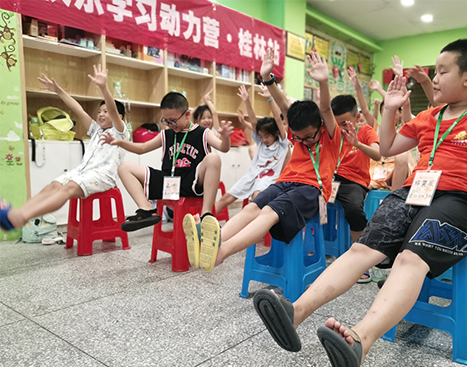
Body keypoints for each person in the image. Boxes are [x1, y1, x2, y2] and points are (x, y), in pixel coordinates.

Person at [252, 39, 467, 367]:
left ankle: (360, 340)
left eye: (442, 71)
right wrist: (389, 108)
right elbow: (386, 147)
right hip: (412, 194)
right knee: (361, 250)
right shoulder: (428, 117)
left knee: (408, 260)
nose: (434, 78)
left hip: (461, 201)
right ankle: (295, 311)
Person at [183, 48, 346, 272]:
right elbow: (285, 107)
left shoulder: (330, 136)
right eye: (299, 137)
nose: (305, 141)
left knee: (270, 211)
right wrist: (267, 78)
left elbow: (326, 108)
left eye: (310, 136)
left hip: (312, 189)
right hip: (284, 181)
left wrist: (324, 82)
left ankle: (222, 252)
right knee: (252, 207)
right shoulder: (297, 133)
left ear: (320, 126)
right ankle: (213, 240)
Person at [0, 65, 128, 231]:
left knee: (68, 188)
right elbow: (78, 109)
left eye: (106, 111)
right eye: (100, 111)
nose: (102, 114)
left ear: (120, 117)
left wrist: (103, 87)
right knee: (52, 186)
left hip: (103, 176)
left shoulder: (120, 132)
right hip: (83, 171)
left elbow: (112, 107)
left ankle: (21, 217)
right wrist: (58, 90)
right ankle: (17, 214)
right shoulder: (97, 130)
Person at [100, 91, 233, 232]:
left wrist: (225, 137)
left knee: (214, 158)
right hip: (169, 182)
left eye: (173, 120)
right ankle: (146, 209)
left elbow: (223, 148)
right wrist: (119, 142)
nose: (170, 124)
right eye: (166, 120)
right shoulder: (166, 134)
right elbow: (142, 148)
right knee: (124, 168)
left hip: (193, 181)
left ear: (187, 114)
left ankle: (206, 215)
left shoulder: (203, 133)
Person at [214, 85, 289, 215]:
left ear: (276, 133)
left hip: (267, 179)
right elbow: (254, 122)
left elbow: (277, 118)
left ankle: (254, 230)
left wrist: (270, 99)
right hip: (251, 176)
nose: (264, 140)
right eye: (261, 137)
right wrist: (247, 101)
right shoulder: (261, 142)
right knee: (226, 198)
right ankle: (204, 220)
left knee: (256, 197)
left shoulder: (282, 143)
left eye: (267, 136)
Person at [330, 94, 380, 283]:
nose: (341, 129)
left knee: (353, 209)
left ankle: (360, 260)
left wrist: (357, 144)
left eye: (345, 123)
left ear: (357, 118)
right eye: (337, 124)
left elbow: (378, 154)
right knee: (304, 199)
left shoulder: (366, 131)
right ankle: (317, 251)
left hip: (353, 182)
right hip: (331, 180)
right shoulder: (333, 133)